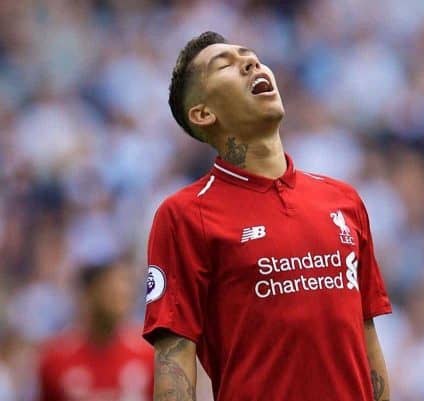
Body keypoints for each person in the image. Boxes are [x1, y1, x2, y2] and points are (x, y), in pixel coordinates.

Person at [143, 31, 392, 401]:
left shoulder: (343, 200)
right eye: (225, 65)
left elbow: (365, 336)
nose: (251, 63)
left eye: (252, 57)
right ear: (204, 113)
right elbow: (173, 360)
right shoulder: (185, 215)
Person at [38, 261, 154, 401]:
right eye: (111, 290)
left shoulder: (147, 356)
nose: (121, 295)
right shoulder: (55, 359)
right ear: (88, 294)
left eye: (125, 289)